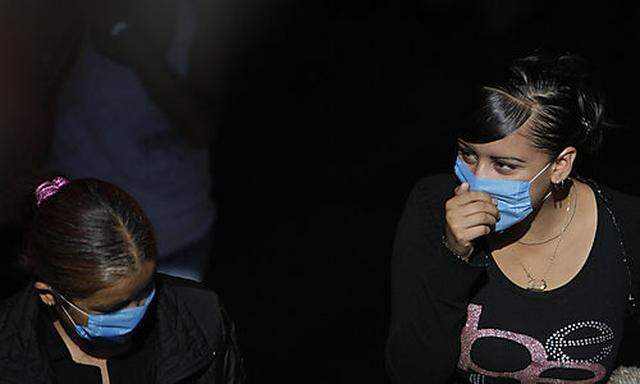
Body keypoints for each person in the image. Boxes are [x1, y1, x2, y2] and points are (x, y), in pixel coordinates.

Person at [385, 54, 640, 383]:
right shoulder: (432, 206)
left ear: (561, 165)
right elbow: (411, 373)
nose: (477, 180)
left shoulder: (627, 226)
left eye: (504, 165)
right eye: (468, 154)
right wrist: (453, 257)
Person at [0, 176, 245, 383]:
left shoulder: (201, 318)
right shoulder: (9, 355)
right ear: (49, 294)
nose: (135, 314)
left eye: (144, 292)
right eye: (111, 308)